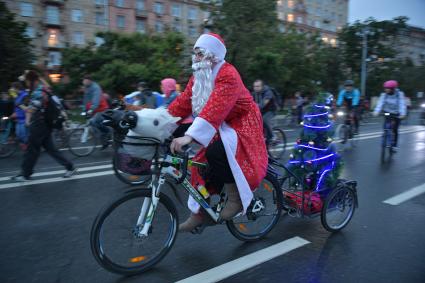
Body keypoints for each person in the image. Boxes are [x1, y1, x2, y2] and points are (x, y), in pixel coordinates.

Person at [168, 33, 268, 232]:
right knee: (198, 164)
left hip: (242, 123)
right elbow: (183, 103)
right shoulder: (198, 75)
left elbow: (216, 107)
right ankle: (199, 213)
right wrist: (161, 124)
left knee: (215, 152)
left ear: (213, 55)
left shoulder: (228, 73)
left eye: (200, 53)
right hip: (221, 122)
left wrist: (190, 136)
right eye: (194, 53)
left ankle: (235, 199)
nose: (195, 58)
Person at [11, 70, 77, 181]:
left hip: (39, 124)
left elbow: (31, 110)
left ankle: (25, 174)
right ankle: (70, 167)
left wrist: (19, 105)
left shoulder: (38, 92)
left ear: (32, 81)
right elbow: (46, 85)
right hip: (46, 124)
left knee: (31, 148)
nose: (26, 84)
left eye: (27, 81)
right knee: (51, 149)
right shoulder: (44, 88)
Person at [373, 80, 406, 151]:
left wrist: (402, 114)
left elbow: (401, 104)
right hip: (387, 112)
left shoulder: (399, 94)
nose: (386, 90)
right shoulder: (384, 95)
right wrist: (376, 112)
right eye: (385, 88)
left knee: (395, 129)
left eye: (388, 88)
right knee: (385, 125)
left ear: (393, 89)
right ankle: (385, 134)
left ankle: (394, 145)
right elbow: (380, 103)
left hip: (396, 113)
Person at [82, 75, 110, 149]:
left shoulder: (96, 88)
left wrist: (91, 109)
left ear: (89, 81)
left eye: (85, 80)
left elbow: (96, 100)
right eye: (83, 80)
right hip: (94, 110)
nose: (84, 82)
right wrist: (85, 110)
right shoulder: (87, 88)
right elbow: (86, 100)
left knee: (94, 122)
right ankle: (104, 141)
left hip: (102, 109)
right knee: (92, 125)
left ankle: (107, 132)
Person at [252, 79, 277, 144]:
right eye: (254, 86)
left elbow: (264, 103)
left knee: (265, 119)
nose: (256, 88)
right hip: (261, 110)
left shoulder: (268, 92)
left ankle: (273, 136)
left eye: (258, 86)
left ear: (262, 86)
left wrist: (255, 106)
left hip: (270, 110)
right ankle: (263, 137)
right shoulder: (254, 93)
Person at [14, 82, 29, 147]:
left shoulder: (25, 95)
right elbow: (15, 107)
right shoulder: (17, 96)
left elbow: (26, 105)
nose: (12, 90)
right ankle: (27, 146)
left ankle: (32, 147)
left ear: (17, 88)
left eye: (13, 88)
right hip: (18, 118)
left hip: (24, 118)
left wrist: (19, 104)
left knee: (23, 135)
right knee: (18, 134)